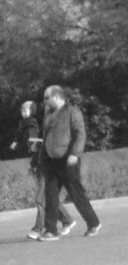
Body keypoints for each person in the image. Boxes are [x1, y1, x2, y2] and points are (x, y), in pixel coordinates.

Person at [40, 85, 101, 238]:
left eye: (46, 98)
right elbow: (47, 135)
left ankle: (93, 223)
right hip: (51, 160)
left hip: (67, 159)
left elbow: (80, 134)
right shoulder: (48, 114)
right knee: (50, 195)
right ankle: (50, 230)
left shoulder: (72, 112)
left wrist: (75, 153)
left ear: (56, 97)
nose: (44, 101)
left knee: (76, 194)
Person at [10, 98, 49, 239]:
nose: (23, 112)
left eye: (25, 109)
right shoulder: (23, 123)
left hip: (41, 160)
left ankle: (38, 228)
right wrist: (16, 142)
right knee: (46, 197)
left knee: (40, 199)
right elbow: (20, 135)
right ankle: (66, 219)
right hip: (36, 160)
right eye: (21, 110)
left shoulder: (31, 123)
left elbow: (33, 139)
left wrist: (33, 145)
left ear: (31, 111)